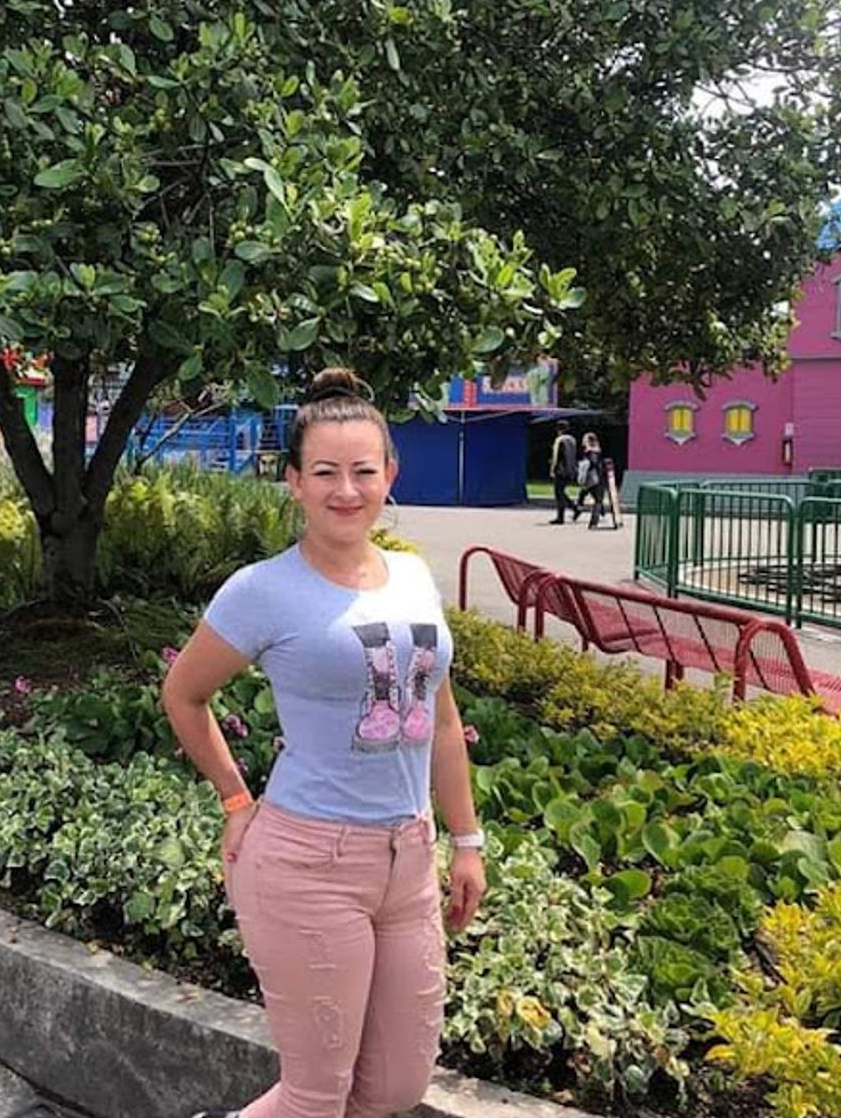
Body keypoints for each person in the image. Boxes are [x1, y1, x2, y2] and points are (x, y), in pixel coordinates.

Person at [162, 367, 486, 1118]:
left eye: (363, 471)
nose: (347, 490)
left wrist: (466, 840)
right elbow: (183, 693)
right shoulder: (263, 590)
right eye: (325, 472)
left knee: (394, 1089)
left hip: (409, 860)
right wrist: (236, 799)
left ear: (390, 476)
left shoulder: (413, 576)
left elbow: (441, 720)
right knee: (315, 1097)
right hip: (308, 863)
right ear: (294, 483)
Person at [548, 419, 578, 524]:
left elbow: (558, 456)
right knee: (561, 492)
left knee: (558, 493)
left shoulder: (560, 440)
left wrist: (553, 469)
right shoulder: (572, 440)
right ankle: (574, 508)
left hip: (561, 470)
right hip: (571, 469)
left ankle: (561, 517)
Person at [573, 432, 605, 528]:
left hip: (591, 478)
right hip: (595, 478)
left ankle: (591, 519)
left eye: (585, 440)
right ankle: (592, 517)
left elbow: (592, 463)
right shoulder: (595, 451)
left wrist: (583, 470)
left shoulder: (591, 452)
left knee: (594, 499)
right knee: (592, 497)